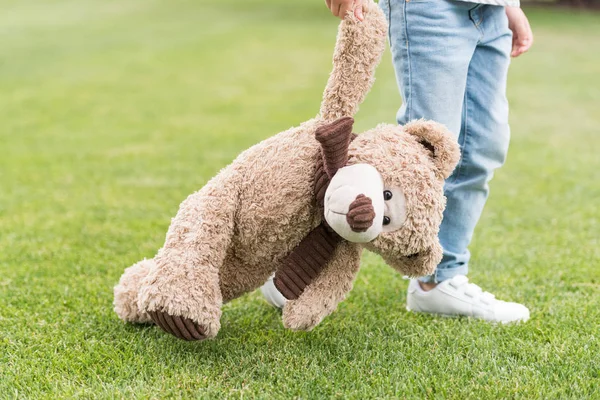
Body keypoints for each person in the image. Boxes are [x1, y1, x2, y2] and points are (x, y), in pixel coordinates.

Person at [262, 0, 533, 323]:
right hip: (431, 8)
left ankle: (438, 279)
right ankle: (300, 267)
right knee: (412, 162)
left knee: (480, 147)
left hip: (492, 11)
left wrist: (509, 5)